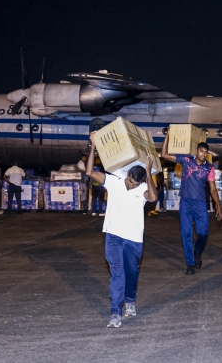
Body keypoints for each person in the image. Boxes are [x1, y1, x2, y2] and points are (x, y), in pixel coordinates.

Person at [86, 132, 157, 328]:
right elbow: (90, 172)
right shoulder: (114, 182)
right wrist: (93, 147)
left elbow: (153, 198)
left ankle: (130, 300)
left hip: (134, 239)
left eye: (136, 183)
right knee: (117, 273)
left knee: (131, 274)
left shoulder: (142, 189)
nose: (132, 185)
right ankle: (115, 312)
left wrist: (149, 172)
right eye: (131, 181)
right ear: (128, 175)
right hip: (113, 236)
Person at [161, 135, 222, 275]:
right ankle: (190, 264)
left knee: (203, 234)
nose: (203, 154)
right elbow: (164, 154)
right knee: (186, 234)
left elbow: (213, 189)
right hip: (186, 203)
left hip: (200, 204)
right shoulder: (187, 160)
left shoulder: (209, 168)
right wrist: (168, 137)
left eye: (206, 152)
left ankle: (198, 253)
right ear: (197, 151)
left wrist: (218, 206)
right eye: (201, 151)